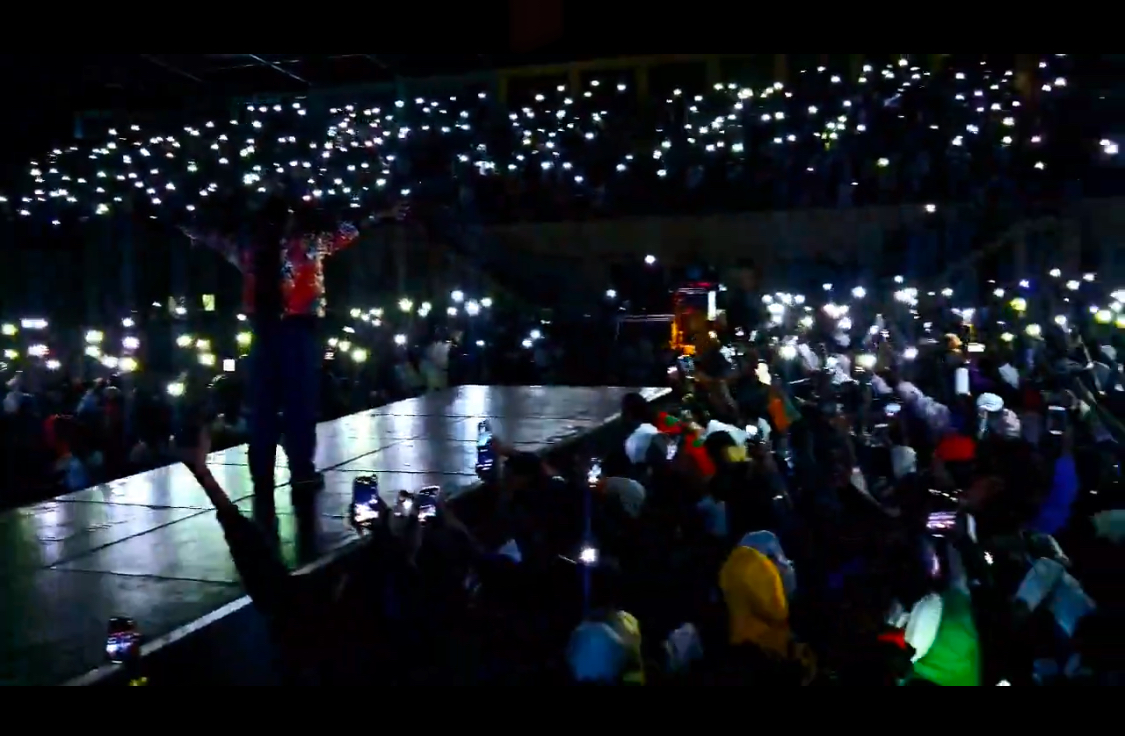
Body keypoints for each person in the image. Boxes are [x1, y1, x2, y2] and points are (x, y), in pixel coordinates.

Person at [183, 195, 402, 500]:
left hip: (263, 332)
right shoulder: (307, 246)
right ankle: (301, 471)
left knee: (263, 406)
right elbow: (345, 232)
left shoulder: (251, 250)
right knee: (299, 404)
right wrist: (380, 213)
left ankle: (261, 472)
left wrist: (191, 227)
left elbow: (216, 240)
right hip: (298, 331)